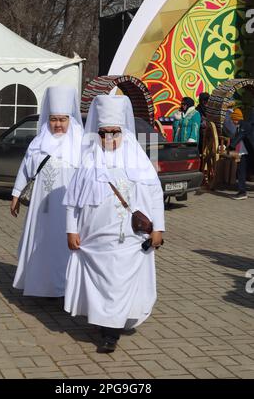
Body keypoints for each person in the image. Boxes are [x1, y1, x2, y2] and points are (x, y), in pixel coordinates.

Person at [63, 95, 165, 353]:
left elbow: (154, 195)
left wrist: (158, 228)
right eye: (104, 133)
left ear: (123, 131)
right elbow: (73, 201)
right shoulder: (87, 161)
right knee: (100, 284)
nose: (109, 138)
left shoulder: (139, 159)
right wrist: (71, 230)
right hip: (94, 239)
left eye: (114, 133)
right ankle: (104, 321)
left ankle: (111, 333)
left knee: (119, 283)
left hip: (129, 240)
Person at [10, 86, 83, 296]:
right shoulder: (38, 141)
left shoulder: (81, 142)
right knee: (40, 243)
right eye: (53, 119)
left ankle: (66, 289)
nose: (58, 124)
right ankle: (42, 286)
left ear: (70, 118)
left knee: (64, 246)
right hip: (41, 208)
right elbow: (25, 169)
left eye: (62, 119)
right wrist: (15, 195)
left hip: (69, 208)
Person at [227, 108, 254, 200]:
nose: (232, 121)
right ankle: (242, 192)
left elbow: (240, 136)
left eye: (232, 119)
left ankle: (242, 192)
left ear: (236, 119)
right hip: (244, 153)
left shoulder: (244, 125)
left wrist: (231, 146)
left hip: (250, 152)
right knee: (241, 172)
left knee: (243, 172)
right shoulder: (239, 127)